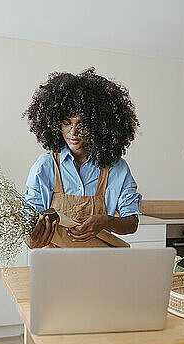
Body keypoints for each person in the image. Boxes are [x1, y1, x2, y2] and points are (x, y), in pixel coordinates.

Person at [23, 68, 141, 248]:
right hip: (54, 264)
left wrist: (105, 221)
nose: (73, 132)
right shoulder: (45, 166)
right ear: (56, 125)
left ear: (98, 125)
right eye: (66, 123)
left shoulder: (116, 168)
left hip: (99, 263)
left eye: (82, 124)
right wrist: (33, 240)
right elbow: (29, 229)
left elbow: (131, 223)